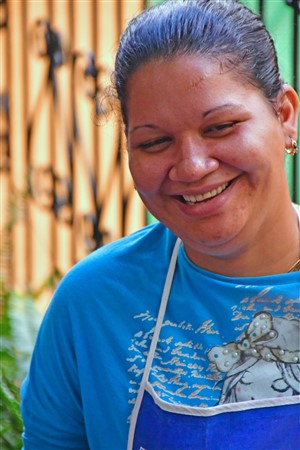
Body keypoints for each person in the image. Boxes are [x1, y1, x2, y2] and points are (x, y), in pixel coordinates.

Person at [21, 0, 300, 449]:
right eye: (155, 142)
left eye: (221, 126)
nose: (191, 167)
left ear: (285, 116)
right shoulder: (93, 302)